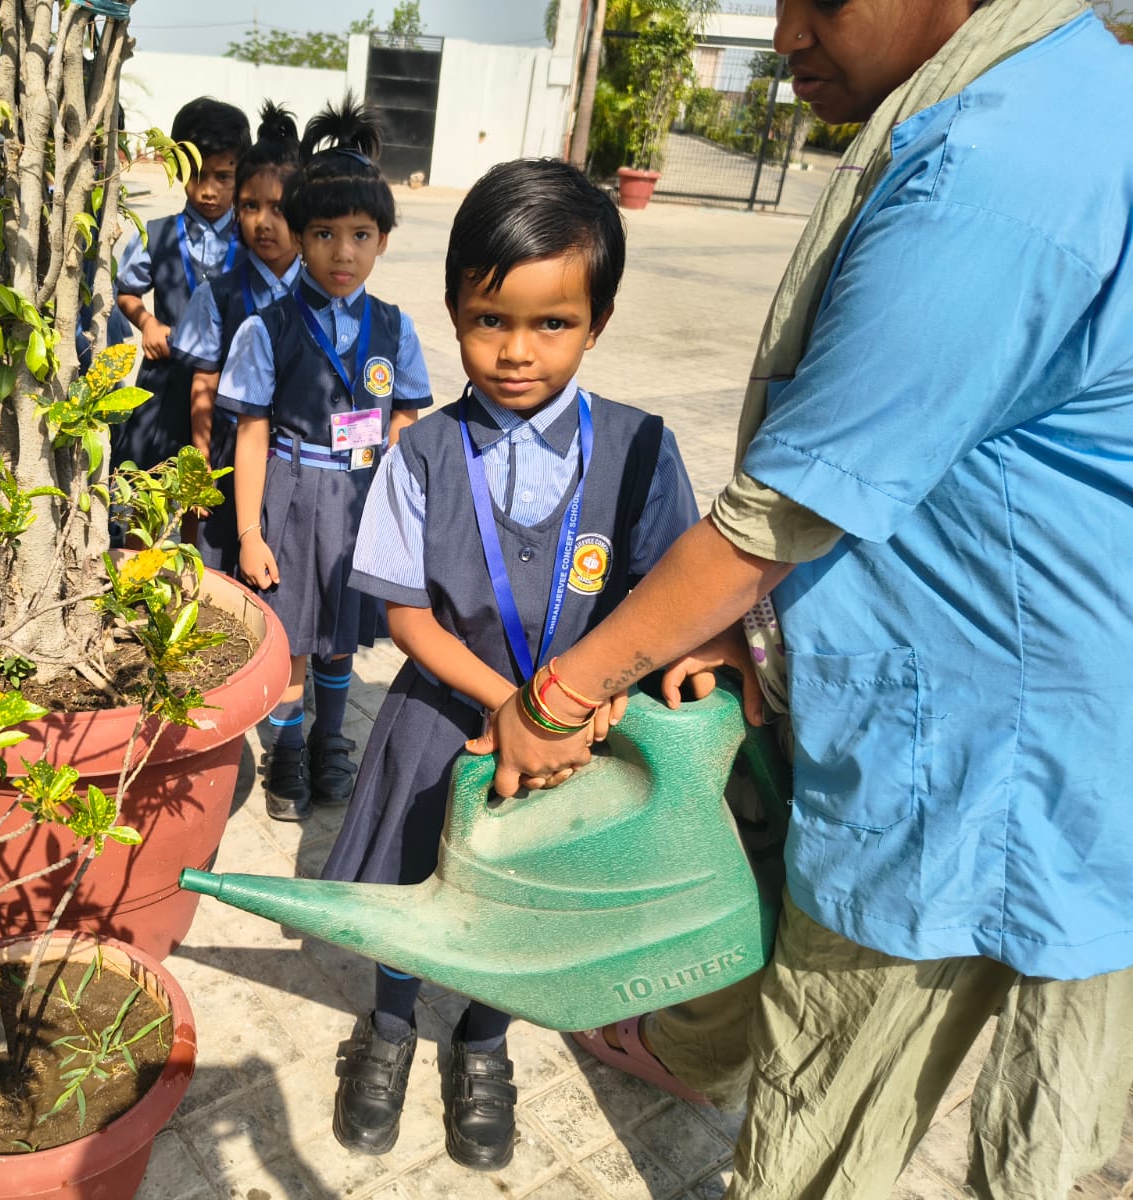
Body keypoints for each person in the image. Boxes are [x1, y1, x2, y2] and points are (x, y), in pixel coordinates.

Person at [471, 2, 1133, 1195]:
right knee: (1054, 1110)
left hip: (974, 752)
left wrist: (560, 694)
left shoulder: (989, 171)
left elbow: (781, 509)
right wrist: (750, 619)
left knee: (824, 1123)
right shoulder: (1085, 98)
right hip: (1080, 715)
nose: (784, 35)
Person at [314, 157, 702, 1171]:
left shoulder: (643, 451)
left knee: (533, 897)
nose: (517, 351)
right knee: (410, 884)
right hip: (445, 717)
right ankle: (389, 1026)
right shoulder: (421, 454)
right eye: (490, 320)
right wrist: (514, 703)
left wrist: (598, 699)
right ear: (452, 309)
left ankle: (484, 1040)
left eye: (552, 323)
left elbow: (668, 599)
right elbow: (407, 616)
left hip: (581, 737)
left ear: (598, 322)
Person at [216, 95, 433, 821]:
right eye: (325, 234)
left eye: (361, 235)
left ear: (384, 240)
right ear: (300, 236)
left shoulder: (395, 328)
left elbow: (403, 419)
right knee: (292, 638)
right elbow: (250, 433)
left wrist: (399, 514)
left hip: (361, 500)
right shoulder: (267, 328)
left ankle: (330, 739)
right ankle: (286, 749)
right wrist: (249, 532)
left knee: (341, 635)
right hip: (291, 496)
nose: (344, 253)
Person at [170, 102, 304, 575]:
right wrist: (201, 463)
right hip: (231, 454)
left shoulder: (322, 295)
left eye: (279, 209)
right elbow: (204, 382)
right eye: (250, 206)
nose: (263, 222)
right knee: (220, 570)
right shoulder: (218, 294)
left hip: (297, 462)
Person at [112, 96, 250, 471]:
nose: (208, 191)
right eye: (197, 175)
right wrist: (147, 323)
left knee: (216, 484)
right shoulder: (155, 235)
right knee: (145, 478)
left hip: (231, 387)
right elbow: (126, 291)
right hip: (165, 383)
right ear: (176, 167)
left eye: (223, 177)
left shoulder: (254, 241)